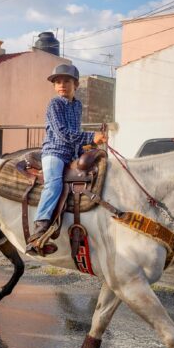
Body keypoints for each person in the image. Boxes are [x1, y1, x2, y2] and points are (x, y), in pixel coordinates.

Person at [26, 64, 107, 253]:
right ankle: (39, 229)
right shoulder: (55, 104)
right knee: (54, 184)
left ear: (76, 84)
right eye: (58, 82)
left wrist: (90, 145)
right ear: (54, 86)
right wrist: (90, 137)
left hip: (72, 153)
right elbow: (62, 133)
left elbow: (75, 132)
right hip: (54, 152)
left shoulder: (77, 105)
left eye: (67, 81)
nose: (62, 85)